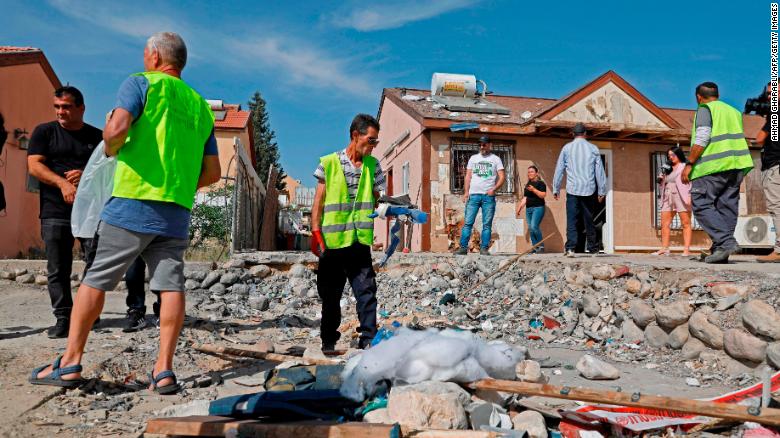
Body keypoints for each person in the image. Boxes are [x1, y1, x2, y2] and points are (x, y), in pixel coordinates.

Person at [30, 32, 221, 394]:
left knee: (97, 277)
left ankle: (70, 361)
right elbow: (212, 173)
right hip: (176, 209)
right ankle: (164, 371)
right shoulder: (199, 106)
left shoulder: (141, 83)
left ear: (153, 56)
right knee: (170, 286)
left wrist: (114, 149)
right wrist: (177, 187)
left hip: (132, 200)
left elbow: (115, 130)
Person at [27, 86, 103, 338]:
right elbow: (34, 166)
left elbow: (109, 171)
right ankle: (63, 318)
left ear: (81, 108)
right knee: (58, 267)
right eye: (57, 107)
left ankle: (88, 313)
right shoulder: (44, 132)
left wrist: (86, 176)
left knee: (94, 264)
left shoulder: (97, 137)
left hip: (90, 212)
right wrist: (62, 183)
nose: (61, 112)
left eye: (67, 107)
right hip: (54, 210)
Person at [310, 113, 386, 351]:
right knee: (330, 296)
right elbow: (319, 203)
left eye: (376, 142)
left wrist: (387, 205)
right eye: (371, 140)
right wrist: (315, 232)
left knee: (366, 292)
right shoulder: (329, 163)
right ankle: (328, 342)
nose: (373, 146)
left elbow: (380, 199)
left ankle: (368, 341)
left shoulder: (374, 166)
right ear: (356, 135)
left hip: (358, 241)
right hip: (332, 244)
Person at [682, 82, 753, 264]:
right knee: (726, 206)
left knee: (701, 204)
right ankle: (720, 251)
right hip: (736, 165)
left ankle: (726, 242)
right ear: (718, 95)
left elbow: (703, 137)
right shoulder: (733, 111)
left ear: (699, 97)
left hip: (713, 166)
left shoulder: (705, 109)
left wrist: (689, 163)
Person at [552, 123, 607, 257]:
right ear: (585, 133)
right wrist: (602, 190)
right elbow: (599, 171)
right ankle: (593, 249)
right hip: (588, 188)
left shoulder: (567, 148)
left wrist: (556, 188)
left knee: (572, 220)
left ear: (573, 134)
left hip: (573, 189)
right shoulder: (593, 148)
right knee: (589, 219)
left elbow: (559, 169)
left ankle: (570, 248)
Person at [455, 135, 506, 255]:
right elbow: (468, 176)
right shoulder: (473, 158)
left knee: (487, 224)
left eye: (484, 144)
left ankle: (484, 249)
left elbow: (502, 177)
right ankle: (463, 248)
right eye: (481, 144)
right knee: (468, 223)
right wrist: (466, 192)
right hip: (473, 195)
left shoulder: (496, 159)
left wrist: (494, 189)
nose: (482, 146)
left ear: (489, 145)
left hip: (488, 196)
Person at [755, 83, 780, 263]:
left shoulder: (775, 114)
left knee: (776, 207)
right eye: (768, 94)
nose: (770, 97)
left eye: (774, 93)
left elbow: (759, 139)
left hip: (775, 165)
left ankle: (779, 250)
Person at [653, 146, 693, 256]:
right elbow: (664, 183)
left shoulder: (685, 166)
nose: (670, 157)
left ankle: (686, 249)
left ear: (679, 155)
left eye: (673, 155)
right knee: (664, 223)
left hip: (681, 196)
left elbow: (692, 181)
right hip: (667, 195)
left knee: (685, 223)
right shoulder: (668, 168)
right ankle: (664, 248)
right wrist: (661, 179)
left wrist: (689, 195)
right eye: (669, 155)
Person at [516, 165, 547, 253]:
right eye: (528, 172)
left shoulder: (541, 183)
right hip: (529, 209)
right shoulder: (528, 184)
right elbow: (525, 197)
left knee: (534, 226)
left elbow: (543, 195)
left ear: (536, 173)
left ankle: (541, 247)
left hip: (538, 208)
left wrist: (534, 190)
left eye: (532, 171)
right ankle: (535, 248)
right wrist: (519, 207)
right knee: (531, 228)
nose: (529, 173)